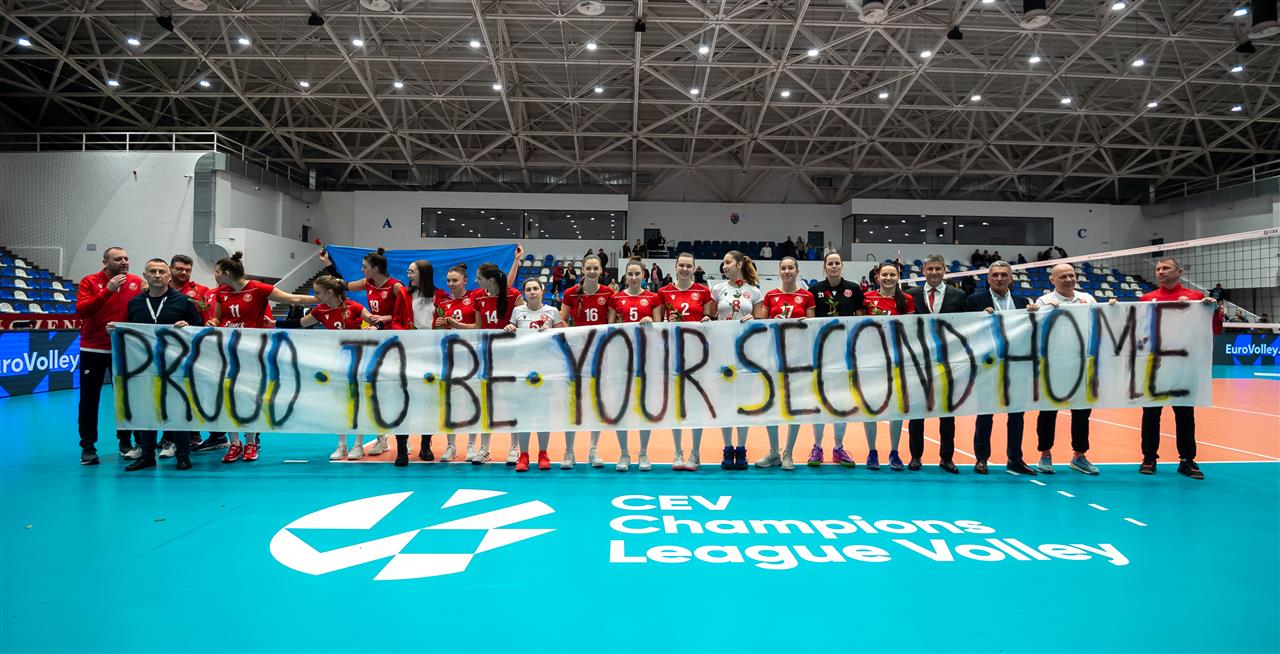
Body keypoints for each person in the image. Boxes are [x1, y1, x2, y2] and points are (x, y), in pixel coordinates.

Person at [209, 251, 318, 463]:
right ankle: (234, 444)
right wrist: (212, 322)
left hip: (253, 352)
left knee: (251, 396)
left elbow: (293, 298)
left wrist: (322, 298)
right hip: (228, 351)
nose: (215, 275)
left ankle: (251, 442)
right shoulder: (221, 293)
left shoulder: (258, 288)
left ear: (228, 273)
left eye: (217, 271)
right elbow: (218, 319)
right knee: (228, 397)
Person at [1138, 257, 1221, 479]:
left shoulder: (1196, 298)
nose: (1161, 272)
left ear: (1179, 271)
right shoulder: (1146, 298)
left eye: (1166, 268)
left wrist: (1214, 311)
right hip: (1156, 365)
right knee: (1151, 414)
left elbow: (1214, 329)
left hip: (1184, 365)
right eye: (1158, 269)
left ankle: (1187, 460)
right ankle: (1149, 457)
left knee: (1185, 414)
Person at [118, 258, 203, 472]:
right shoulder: (135, 303)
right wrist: (115, 331)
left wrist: (189, 326)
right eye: (153, 271)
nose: (157, 275)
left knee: (178, 410)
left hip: (176, 367)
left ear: (169, 276)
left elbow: (200, 330)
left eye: (162, 272)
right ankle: (147, 456)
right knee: (146, 410)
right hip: (144, 367)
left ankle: (183, 455)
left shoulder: (184, 302)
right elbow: (128, 331)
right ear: (145, 276)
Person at [1033, 263, 1114, 476]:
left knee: (1081, 413)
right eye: (1063, 277)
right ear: (1052, 280)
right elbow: (1036, 329)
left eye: (1071, 275)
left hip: (1082, 365)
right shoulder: (1043, 301)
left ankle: (1079, 456)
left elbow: (1101, 323)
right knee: (1047, 412)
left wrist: (1112, 308)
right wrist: (1041, 312)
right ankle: (1045, 454)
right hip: (1054, 365)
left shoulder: (1087, 298)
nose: (1069, 279)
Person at [966, 261, 1039, 475]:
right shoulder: (975, 300)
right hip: (988, 365)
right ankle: (981, 458)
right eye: (995, 275)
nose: (999, 278)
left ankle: (1015, 459)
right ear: (988, 278)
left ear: (1011, 279)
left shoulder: (1022, 302)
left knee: (1016, 415)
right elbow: (965, 330)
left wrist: (1034, 314)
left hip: (1016, 365)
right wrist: (978, 316)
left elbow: (1030, 332)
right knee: (985, 414)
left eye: (1004, 275)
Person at [299, 276, 381, 462]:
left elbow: (376, 322)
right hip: (336, 363)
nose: (315, 296)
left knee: (359, 403)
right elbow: (300, 323)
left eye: (318, 293)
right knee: (341, 405)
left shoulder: (354, 307)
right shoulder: (320, 310)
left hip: (359, 362)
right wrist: (273, 324)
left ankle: (358, 444)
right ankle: (341, 445)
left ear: (329, 292)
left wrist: (374, 328)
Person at [76, 246, 144, 465]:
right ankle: (88, 447)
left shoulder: (136, 283)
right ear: (105, 262)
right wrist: (107, 290)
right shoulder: (89, 281)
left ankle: (125, 443)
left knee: (125, 398)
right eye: (118, 259)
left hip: (123, 350)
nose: (124, 262)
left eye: (126, 258)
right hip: (93, 348)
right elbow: (82, 310)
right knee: (89, 400)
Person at [904, 255, 968, 473]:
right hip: (918, 362)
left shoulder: (958, 295)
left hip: (948, 362)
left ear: (944, 270)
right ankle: (915, 456)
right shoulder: (911, 295)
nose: (933, 272)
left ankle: (947, 458)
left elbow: (967, 326)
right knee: (916, 412)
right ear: (923, 270)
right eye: (930, 268)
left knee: (947, 413)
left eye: (938, 269)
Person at [753, 257, 816, 470]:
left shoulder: (806, 296)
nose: (787, 271)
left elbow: (812, 328)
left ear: (797, 271)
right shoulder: (771, 295)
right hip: (773, 357)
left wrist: (802, 325)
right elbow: (762, 327)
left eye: (791, 268)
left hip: (798, 359)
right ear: (779, 271)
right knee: (771, 404)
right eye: (783, 268)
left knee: (793, 405)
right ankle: (774, 452)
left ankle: (788, 451)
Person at [807, 251, 865, 467]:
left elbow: (861, 319)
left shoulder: (854, 289)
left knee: (842, 401)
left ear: (842, 266)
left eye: (837, 263)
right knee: (819, 400)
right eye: (830, 263)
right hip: (821, 354)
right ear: (824, 267)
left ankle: (839, 448)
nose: (833, 266)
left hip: (846, 354)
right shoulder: (815, 290)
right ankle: (817, 447)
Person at [659, 252, 715, 471]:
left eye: (688, 266)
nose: (684, 269)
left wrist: (707, 320)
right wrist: (667, 320)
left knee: (696, 405)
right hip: (673, 353)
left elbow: (710, 321)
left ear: (694, 268)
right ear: (675, 267)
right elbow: (658, 324)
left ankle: (696, 452)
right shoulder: (664, 292)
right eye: (681, 265)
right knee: (677, 404)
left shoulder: (703, 291)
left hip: (698, 356)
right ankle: (678, 451)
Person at [608, 260, 664, 472]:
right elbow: (609, 328)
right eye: (630, 274)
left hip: (646, 358)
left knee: (644, 406)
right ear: (625, 276)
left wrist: (651, 323)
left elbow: (660, 329)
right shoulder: (616, 298)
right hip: (622, 358)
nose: (633, 277)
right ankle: (624, 453)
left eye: (637, 274)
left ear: (643, 275)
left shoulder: (653, 297)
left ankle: (643, 452)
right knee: (621, 407)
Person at [506, 278, 567, 472]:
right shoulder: (517, 312)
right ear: (524, 293)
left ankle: (543, 453)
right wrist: (509, 329)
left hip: (545, 369)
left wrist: (551, 332)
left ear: (542, 291)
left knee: (543, 412)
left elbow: (563, 338)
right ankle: (523, 455)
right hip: (522, 369)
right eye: (528, 289)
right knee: (523, 412)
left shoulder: (552, 311)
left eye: (535, 289)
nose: (532, 292)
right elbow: (510, 337)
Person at [559, 254, 614, 468]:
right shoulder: (570, 293)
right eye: (588, 268)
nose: (592, 272)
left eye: (595, 268)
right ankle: (569, 451)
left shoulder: (608, 292)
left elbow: (611, 324)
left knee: (597, 402)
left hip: (600, 354)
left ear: (601, 271)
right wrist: (575, 336)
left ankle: (593, 449)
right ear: (583, 270)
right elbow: (562, 320)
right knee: (573, 402)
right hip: (577, 353)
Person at [467, 262, 524, 464]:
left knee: (512, 402)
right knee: (486, 403)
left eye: (479, 277)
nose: (476, 281)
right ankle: (484, 448)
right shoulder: (478, 296)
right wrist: (454, 324)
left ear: (490, 280)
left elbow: (524, 321)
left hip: (511, 358)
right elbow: (478, 327)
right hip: (487, 357)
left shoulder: (513, 295)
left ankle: (514, 448)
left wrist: (514, 327)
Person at [710, 250, 762, 470]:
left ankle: (741, 448)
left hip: (746, 354)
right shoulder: (717, 289)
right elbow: (709, 317)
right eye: (723, 263)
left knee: (743, 401)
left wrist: (754, 319)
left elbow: (761, 321)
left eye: (728, 262)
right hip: (722, 352)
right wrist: (708, 320)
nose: (724, 266)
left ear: (739, 264)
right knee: (724, 401)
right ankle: (727, 447)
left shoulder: (755, 291)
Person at [862, 262, 913, 470]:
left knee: (896, 408)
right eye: (885, 274)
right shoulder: (867, 298)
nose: (889, 278)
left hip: (897, 361)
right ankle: (872, 452)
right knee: (870, 407)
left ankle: (894, 452)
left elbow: (909, 330)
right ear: (877, 277)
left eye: (893, 274)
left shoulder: (906, 300)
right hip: (871, 361)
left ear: (898, 277)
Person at [435, 263, 480, 462]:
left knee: (472, 401)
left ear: (465, 281)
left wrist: (457, 324)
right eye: (448, 281)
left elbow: (479, 326)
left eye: (455, 280)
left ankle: (471, 445)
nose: (451, 284)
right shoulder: (442, 302)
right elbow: (436, 332)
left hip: (472, 357)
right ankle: (451, 446)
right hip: (449, 357)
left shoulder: (475, 297)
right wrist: (437, 325)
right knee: (450, 402)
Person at [403, 259, 443, 461]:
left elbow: (445, 322)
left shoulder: (440, 295)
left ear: (423, 273)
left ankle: (426, 444)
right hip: (408, 352)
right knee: (405, 398)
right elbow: (396, 320)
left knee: (430, 401)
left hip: (433, 353)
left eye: (412, 271)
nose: (408, 274)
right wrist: (407, 334)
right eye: (408, 271)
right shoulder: (403, 294)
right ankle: (403, 445)